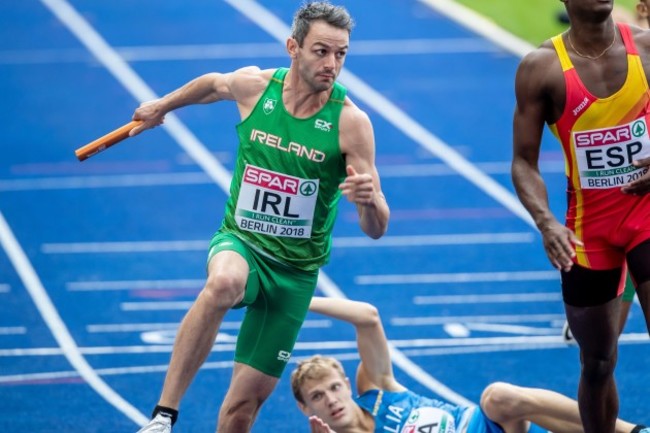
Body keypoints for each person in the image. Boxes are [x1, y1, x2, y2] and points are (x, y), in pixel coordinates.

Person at [129, 3, 390, 432]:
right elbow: (212, 85)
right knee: (225, 282)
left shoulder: (351, 123)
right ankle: (163, 415)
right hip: (242, 242)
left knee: (240, 411)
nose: (332, 64)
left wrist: (369, 201)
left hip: (295, 275)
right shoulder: (256, 86)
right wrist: (163, 105)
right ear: (293, 47)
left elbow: (376, 229)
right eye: (321, 51)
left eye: (341, 54)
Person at [511, 1, 650, 433]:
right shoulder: (541, 68)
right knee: (597, 361)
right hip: (588, 231)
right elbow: (523, 162)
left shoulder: (646, 49)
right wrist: (546, 221)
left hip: (646, 214)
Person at [290, 297, 649, 433]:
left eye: (334, 387)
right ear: (305, 408)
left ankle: (629, 432)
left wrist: (303, 300)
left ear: (347, 384)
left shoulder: (378, 389)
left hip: (489, 426)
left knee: (497, 397)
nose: (331, 399)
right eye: (317, 396)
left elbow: (368, 317)